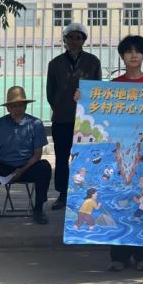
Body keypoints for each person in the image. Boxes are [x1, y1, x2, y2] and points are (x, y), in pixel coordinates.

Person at [108, 35, 143, 272]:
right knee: (120, 201)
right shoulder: (113, 86)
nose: (133, 55)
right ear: (122, 56)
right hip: (120, 151)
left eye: (138, 51)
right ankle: (118, 255)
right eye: (128, 51)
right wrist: (82, 98)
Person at [0, 86, 52, 224]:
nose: (17, 109)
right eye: (14, 106)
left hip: (27, 166)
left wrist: (22, 170)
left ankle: (38, 209)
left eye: (20, 105)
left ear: (25, 106)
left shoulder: (35, 124)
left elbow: (37, 155)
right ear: (8, 108)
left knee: (45, 168)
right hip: (4, 166)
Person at [46, 22, 102, 211]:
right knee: (62, 158)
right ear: (65, 40)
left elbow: (97, 89)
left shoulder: (93, 62)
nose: (74, 41)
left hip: (85, 120)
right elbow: (50, 92)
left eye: (78, 38)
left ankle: (85, 194)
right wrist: (60, 106)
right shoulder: (55, 64)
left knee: (84, 158)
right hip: (62, 119)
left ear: (83, 40)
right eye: (71, 37)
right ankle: (63, 194)